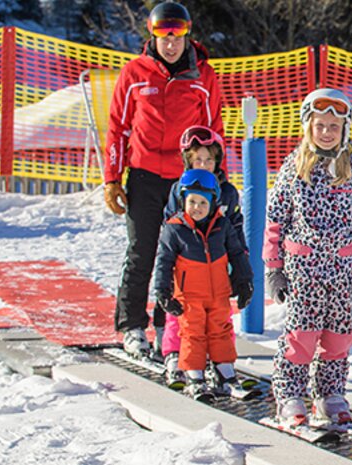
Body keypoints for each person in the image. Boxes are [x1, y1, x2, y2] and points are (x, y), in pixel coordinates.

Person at [103, 1, 223, 359]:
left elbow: (214, 131)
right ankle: (132, 326)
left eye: (176, 36)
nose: (170, 44)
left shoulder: (203, 76)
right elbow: (117, 128)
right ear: (152, 36)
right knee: (142, 251)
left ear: (187, 35)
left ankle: (167, 326)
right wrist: (112, 178)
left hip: (186, 182)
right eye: (163, 37)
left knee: (179, 255)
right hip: (143, 176)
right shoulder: (135, 73)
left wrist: (217, 181)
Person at [263, 88, 352, 429]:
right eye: (320, 125)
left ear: (344, 129)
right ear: (308, 126)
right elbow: (275, 219)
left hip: (343, 268)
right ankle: (290, 394)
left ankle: (330, 394)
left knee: (338, 337)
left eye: (333, 127)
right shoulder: (294, 166)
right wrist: (274, 269)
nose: (326, 132)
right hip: (304, 268)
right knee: (302, 336)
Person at [151, 169, 253, 400]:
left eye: (203, 203)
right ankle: (194, 375)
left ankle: (224, 371)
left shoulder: (223, 226)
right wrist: (162, 291)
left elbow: (237, 253)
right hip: (189, 295)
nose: (196, 208)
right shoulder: (174, 228)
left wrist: (244, 280)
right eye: (192, 202)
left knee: (221, 331)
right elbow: (164, 262)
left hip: (218, 292)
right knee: (192, 333)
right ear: (182, 201)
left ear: (213, 203)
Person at [158, 126, 244, 388]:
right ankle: (174, 355)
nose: (204, 165)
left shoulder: (227, 192)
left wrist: (239, 263)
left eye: (209, 160)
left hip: (217, 262)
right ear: (188, 161)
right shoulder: (179, 189)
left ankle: (221, 363)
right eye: (198, 160)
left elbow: (236, 226)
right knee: (182, 315)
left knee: (219, 313)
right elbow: (171, 226)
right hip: (186, 264)